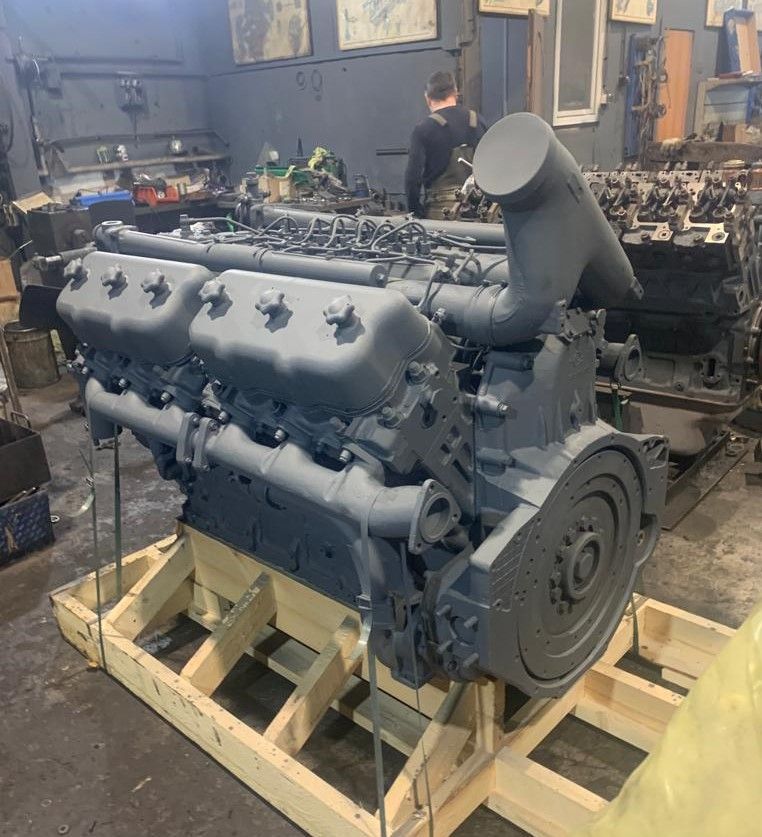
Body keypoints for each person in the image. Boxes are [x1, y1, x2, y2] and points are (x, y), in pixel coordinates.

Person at [404, 70, 488, 220]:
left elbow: (413, 178)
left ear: (428, 98)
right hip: (476, 214)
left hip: (440, 214)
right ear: (455, 93)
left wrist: (415, 212)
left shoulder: (424, 129)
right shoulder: (478, 121)